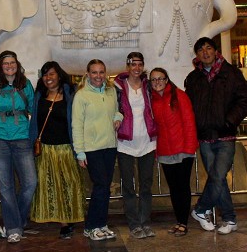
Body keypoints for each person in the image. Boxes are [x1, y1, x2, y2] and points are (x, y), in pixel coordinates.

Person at [185, 37, 247, 234]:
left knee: (218, 175)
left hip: (225, 135)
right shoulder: (193, 78)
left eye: (208, 48)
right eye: (200, 50)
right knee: (218, 179)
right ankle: (230, 219)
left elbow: (244, 101)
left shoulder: (231, 73)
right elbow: (188, 106)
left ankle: (200, 209)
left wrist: (229, 121)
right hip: (204, 136)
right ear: (197, 55)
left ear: (215, 51)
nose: (205, 52)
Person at [0, 50, 36, 244]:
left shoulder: (25, 84)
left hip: (22, 136)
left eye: (12, 63)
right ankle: (13, 228)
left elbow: (33, 108)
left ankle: (16, 219)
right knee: (6, 186)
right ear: (0, 66)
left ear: (17, 65)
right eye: (5, 63)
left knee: (30, 183)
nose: (9, 66)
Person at [29, 61, 86, 239]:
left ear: (59, 75)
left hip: (66, 149)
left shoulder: (71, 94)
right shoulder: (39, 95)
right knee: (50, 187)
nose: (48, 78)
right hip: (45, 150)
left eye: (52, 74)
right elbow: (34, 122)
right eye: (45, 74)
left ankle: (69, 218)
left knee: (69, 184)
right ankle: (61, 221)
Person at [72, 59, 123, 241]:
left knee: (105, 188)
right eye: (94, 72)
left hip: (109, 146)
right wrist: (80, 152)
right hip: (91, 148)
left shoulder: (111, 91)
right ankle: (93, 225)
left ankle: (100, 224)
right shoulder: (81, 96)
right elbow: (76, 125)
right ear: (88, 74)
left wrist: (118, 117)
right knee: (100, 186)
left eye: (101, 72)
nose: (98, 76)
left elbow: (117, 110)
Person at [149, 67, 198, 237]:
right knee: (174, 188)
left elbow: (189, 122)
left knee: (182, 186)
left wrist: (190, 147)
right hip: (165, 151)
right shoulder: (152, 100)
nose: (157, 82)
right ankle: (178, 221)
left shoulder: (179, 96)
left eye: (160, 78)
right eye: (154, 79)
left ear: (167, 79)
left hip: (183, 149)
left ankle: (183, 223)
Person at [114, 52, 157, 239]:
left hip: (148, 141)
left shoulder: (149, 85)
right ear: (128, 66)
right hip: (125, 142)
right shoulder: (118, 87)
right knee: (129, 186)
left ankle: (145, 221)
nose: (137, 68)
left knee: (146, 185)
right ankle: (134, 224)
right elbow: (113, 108)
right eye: (133, 64)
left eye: (140, 64)